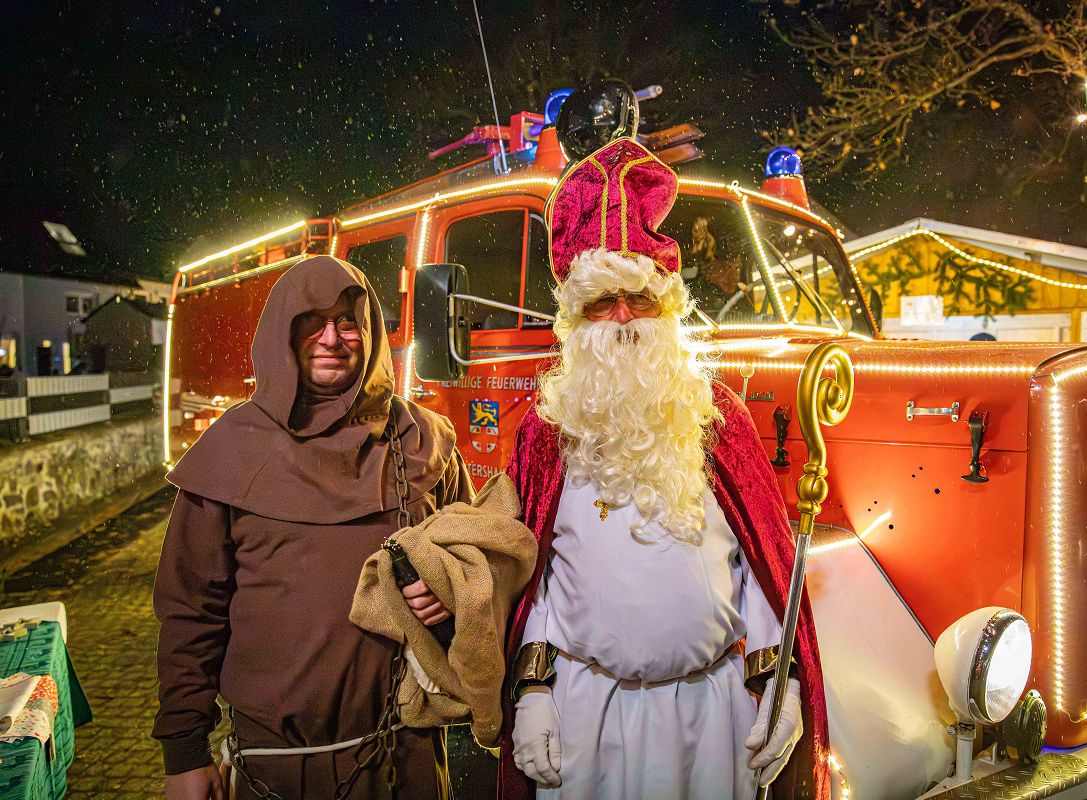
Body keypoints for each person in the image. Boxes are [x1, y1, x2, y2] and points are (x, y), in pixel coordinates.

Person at [499, 138, 830, 800]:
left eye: (639, 300)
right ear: (576, 319)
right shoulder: (546, 432)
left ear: (668, 309)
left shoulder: (718, 419)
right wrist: (532, 689)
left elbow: (763, 575)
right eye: (602, 302)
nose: (623, 319)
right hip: (584, 720)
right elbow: (531, 580)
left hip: (712, 720)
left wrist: (784, 684)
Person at [153, 255, 470, 799]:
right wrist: (184, 751)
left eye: (349, 322)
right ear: (283, 332)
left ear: (370, 333)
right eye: (311, 322)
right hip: (274, 768)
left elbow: (478, 564)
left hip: (404, 756)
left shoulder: (423, 442)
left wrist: (453, 591)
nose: (332, 338)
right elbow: (189, 611)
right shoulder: (231, 451)